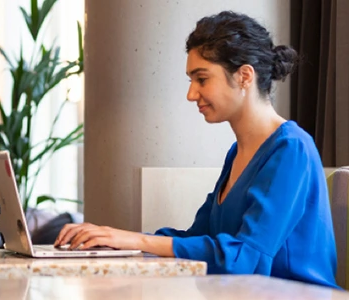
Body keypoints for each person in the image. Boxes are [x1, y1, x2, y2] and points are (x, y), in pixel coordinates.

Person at [55, 11, 338, 289]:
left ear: (244, 76)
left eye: (201, 79)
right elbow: (198, 238)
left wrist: (135, 241)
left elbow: (243, 258)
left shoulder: (292, 149)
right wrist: (115, 240)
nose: (191, 94)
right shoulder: (237, 154)